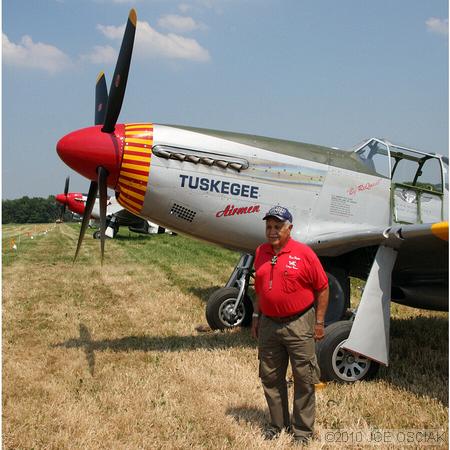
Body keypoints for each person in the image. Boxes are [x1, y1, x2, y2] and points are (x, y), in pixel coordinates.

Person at [252, 205, 329, 445]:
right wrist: (256, 316)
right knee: (270, 376)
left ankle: (302, 432)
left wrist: (319, 322)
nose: (272, 231)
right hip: (269, 324)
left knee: (304, 378)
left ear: (289, 228)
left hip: (299, 323)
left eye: (278, 226)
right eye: (269, 226)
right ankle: (277, 425)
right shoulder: (261, 252)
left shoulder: (304, 253)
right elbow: (260, 287)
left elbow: (323, 287)